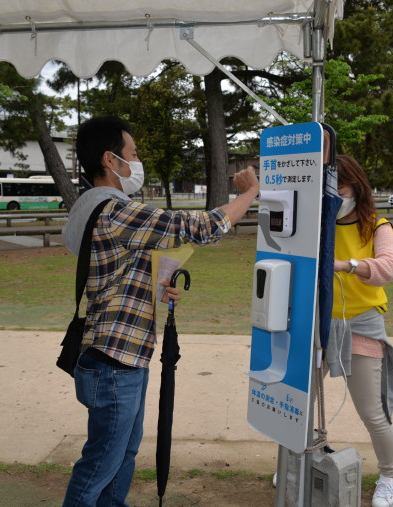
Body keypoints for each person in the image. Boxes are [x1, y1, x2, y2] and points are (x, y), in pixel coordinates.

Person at [61, 116, 259, 507]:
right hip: (114, 361)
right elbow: (201, 226)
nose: (137, 162)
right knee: (101, 462)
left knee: (121, 457)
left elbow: (117, 274)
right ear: (110, 159)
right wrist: (250, 192)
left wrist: (154, 289)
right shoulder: (115, 211)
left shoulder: (102, 212)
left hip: (119, 355)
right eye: (132, 154)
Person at [330, 154, 393, 507]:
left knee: (372, 410)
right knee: (302, 403)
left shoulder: (377, 225)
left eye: (339, 188)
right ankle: (299, 462)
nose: (334, 197)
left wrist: (345, 265)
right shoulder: (315, 221)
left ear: (356, 187)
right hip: (315, 322)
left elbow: (388, 268)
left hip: (362, 322)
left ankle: (390, 475)